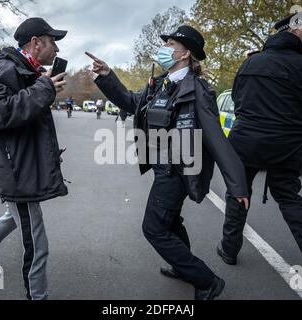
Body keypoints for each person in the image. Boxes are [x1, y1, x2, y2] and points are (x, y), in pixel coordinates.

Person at [87, 25, 249, 300]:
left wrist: (238, 186)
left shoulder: (198, 90)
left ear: (186, 54)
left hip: (180, 169)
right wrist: (107, 76)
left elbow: (216, 139)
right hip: (162, 166)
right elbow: (129, 101)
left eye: (171, 44)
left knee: (153, 228)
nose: (164, 48)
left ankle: (207, 281)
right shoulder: (161, 83)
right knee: (170, 220)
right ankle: (181, 267)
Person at [218, 7, 302, 280]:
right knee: (289, 197)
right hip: (289, 146)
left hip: (247, 142)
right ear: (293, 30)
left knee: (239, 194)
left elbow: (238, 98)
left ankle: (229, 249)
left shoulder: (251, 62)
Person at [0, 17, 68, 300]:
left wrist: (44, 89)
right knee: (38, 243)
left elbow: (25, 116)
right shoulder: (6, 68)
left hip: (21, 166)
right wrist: (43, 89)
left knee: (16, 215)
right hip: (16, 171)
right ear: (36, 43)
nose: (57, 51)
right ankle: (38, 297)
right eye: (53, 43)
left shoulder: (28, 71)